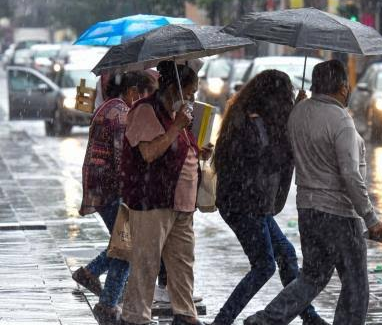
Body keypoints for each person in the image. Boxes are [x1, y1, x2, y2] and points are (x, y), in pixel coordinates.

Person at [244, 60, 382, 325]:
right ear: (343, 87)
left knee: (312, 277)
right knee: (356, 285)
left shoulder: (298, 113)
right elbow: (351, 174)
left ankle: (265, 320)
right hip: (339, 214)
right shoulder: (341, 120)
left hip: (308, 210)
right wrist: (370, 218)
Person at [211, 70, 329, 325]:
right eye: (285, 96)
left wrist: (295, 113)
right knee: (264, 265)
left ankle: (308, 316)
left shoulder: (259, 120)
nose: (286, 101)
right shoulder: (250, 124)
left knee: (286, 254)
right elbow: (271, 159)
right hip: (242, 205)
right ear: (272, 97)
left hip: (253, 205)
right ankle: (222, 321)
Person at [119, 61, 210, 325]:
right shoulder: (146, 111)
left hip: (182, 202)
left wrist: (197, 150)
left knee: (182, 262)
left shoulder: (176, 112)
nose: (191, 98)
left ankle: (185, 313)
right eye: (189, 92)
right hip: (152, 199)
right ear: (173, 87)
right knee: (146, 263)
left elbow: (179, 146)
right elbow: (149, 153)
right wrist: (176, 127)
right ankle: (135, 317)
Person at [72, 71, 158, 324]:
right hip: (112, 190)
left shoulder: (108, 106)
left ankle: (93, 277)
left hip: (102, 187)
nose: (145, 102)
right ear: (133, 92)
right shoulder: (121, 114)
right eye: (144, 96)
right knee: (127, 246)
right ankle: (107, 302)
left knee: (124, 243)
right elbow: (123, 159)